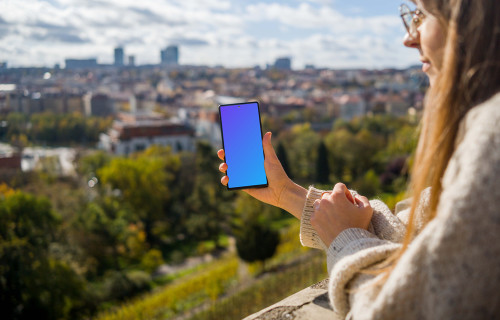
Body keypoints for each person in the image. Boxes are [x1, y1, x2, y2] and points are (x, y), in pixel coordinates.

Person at [218, 0, 500, 318]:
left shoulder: (492, 137)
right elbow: (416, 235)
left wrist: (345, 238)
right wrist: (288, 194)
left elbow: (400, 310)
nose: (409, 38)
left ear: (474, 22)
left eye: (422, 15)